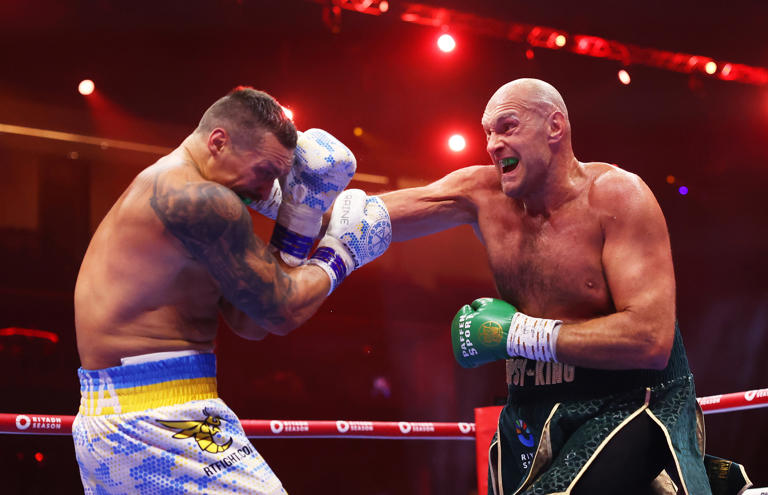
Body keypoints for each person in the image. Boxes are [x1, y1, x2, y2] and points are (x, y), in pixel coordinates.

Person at [378, 78, 739, 494]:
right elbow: (372, 217)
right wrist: (297, 197)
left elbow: (651, 339)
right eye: (488, 134)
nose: (493, 144)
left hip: (631, 401)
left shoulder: (617, 197)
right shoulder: (483, 194)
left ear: (554, 127)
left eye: (507, 126)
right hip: (534, 406)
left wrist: (519, 333)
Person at [72, 87, 391, 494]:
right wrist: (342, 252)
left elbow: (252, 321)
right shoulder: (202, 200)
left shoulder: (180, 191)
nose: (263, 191)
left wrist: (302, 212)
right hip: (156, 412)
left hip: (133, 411)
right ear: (218, 141)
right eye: (263, 172)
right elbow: (283, 311)